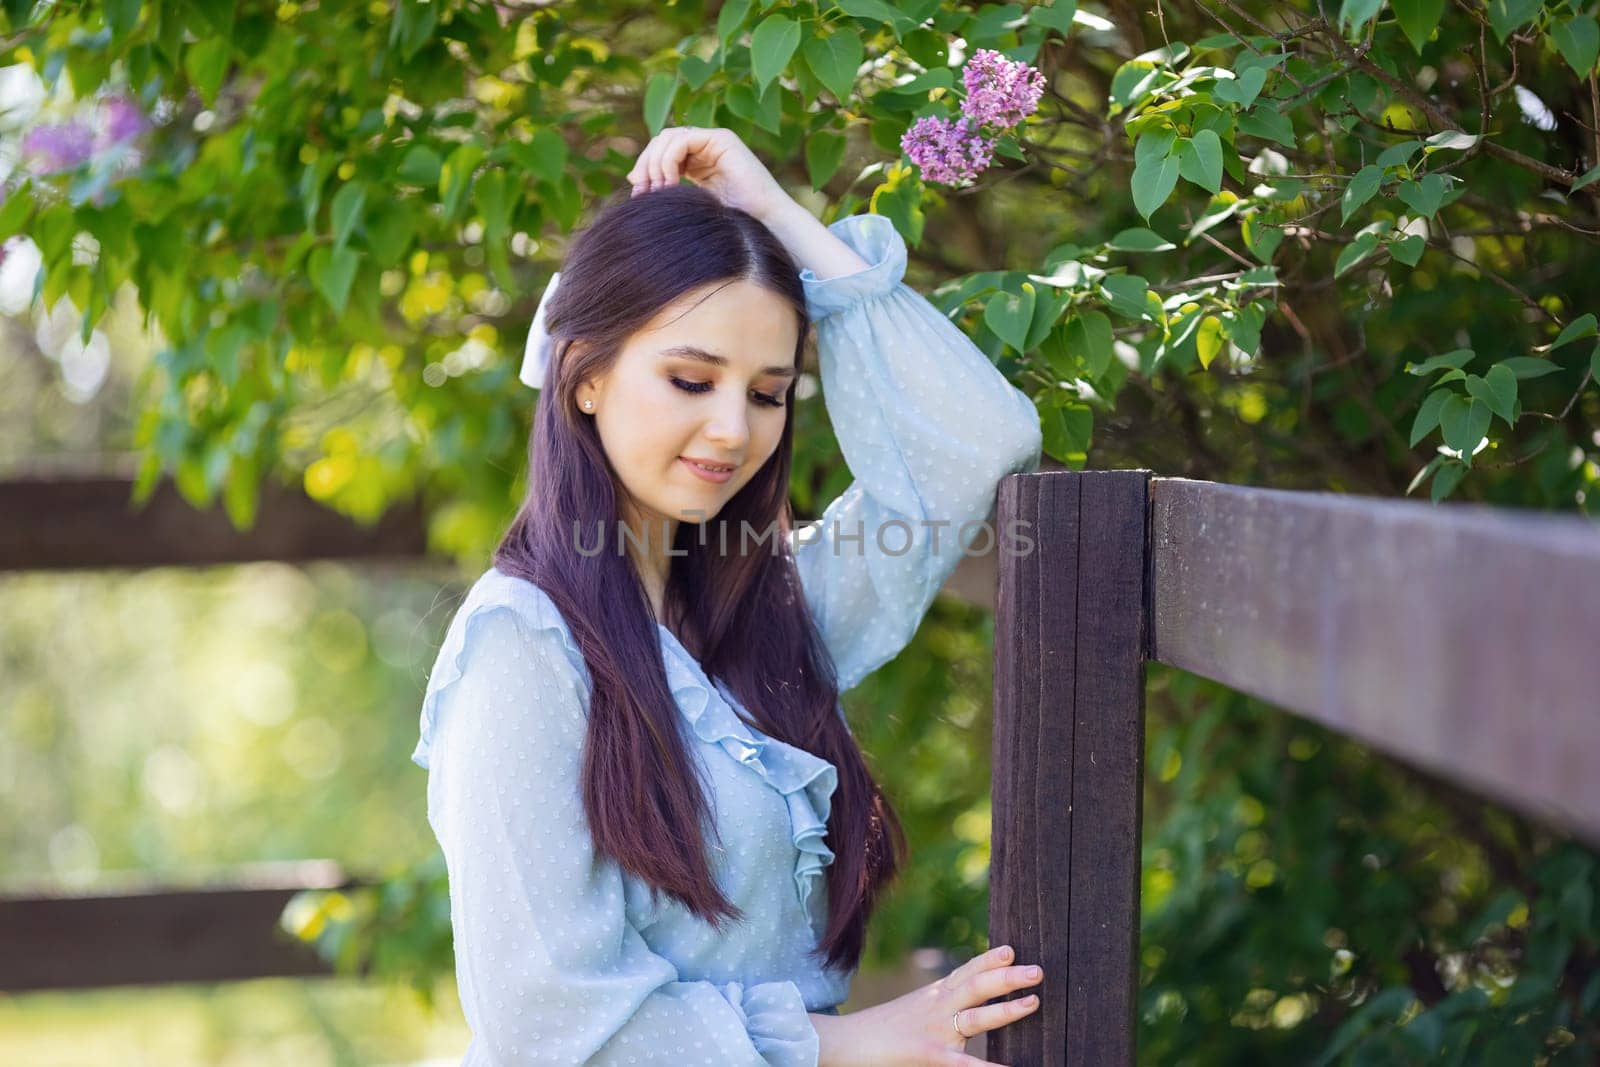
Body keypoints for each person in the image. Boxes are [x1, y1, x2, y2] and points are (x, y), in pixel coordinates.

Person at [412, 126, 1046, 1065]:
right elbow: (546, 1017)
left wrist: (780, 218)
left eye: (768, 392)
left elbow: (975, 449)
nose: (730, 429)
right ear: (585, 376)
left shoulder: (777, 607)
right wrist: (845, 1043)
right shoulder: (523, 644)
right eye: (691, 378)